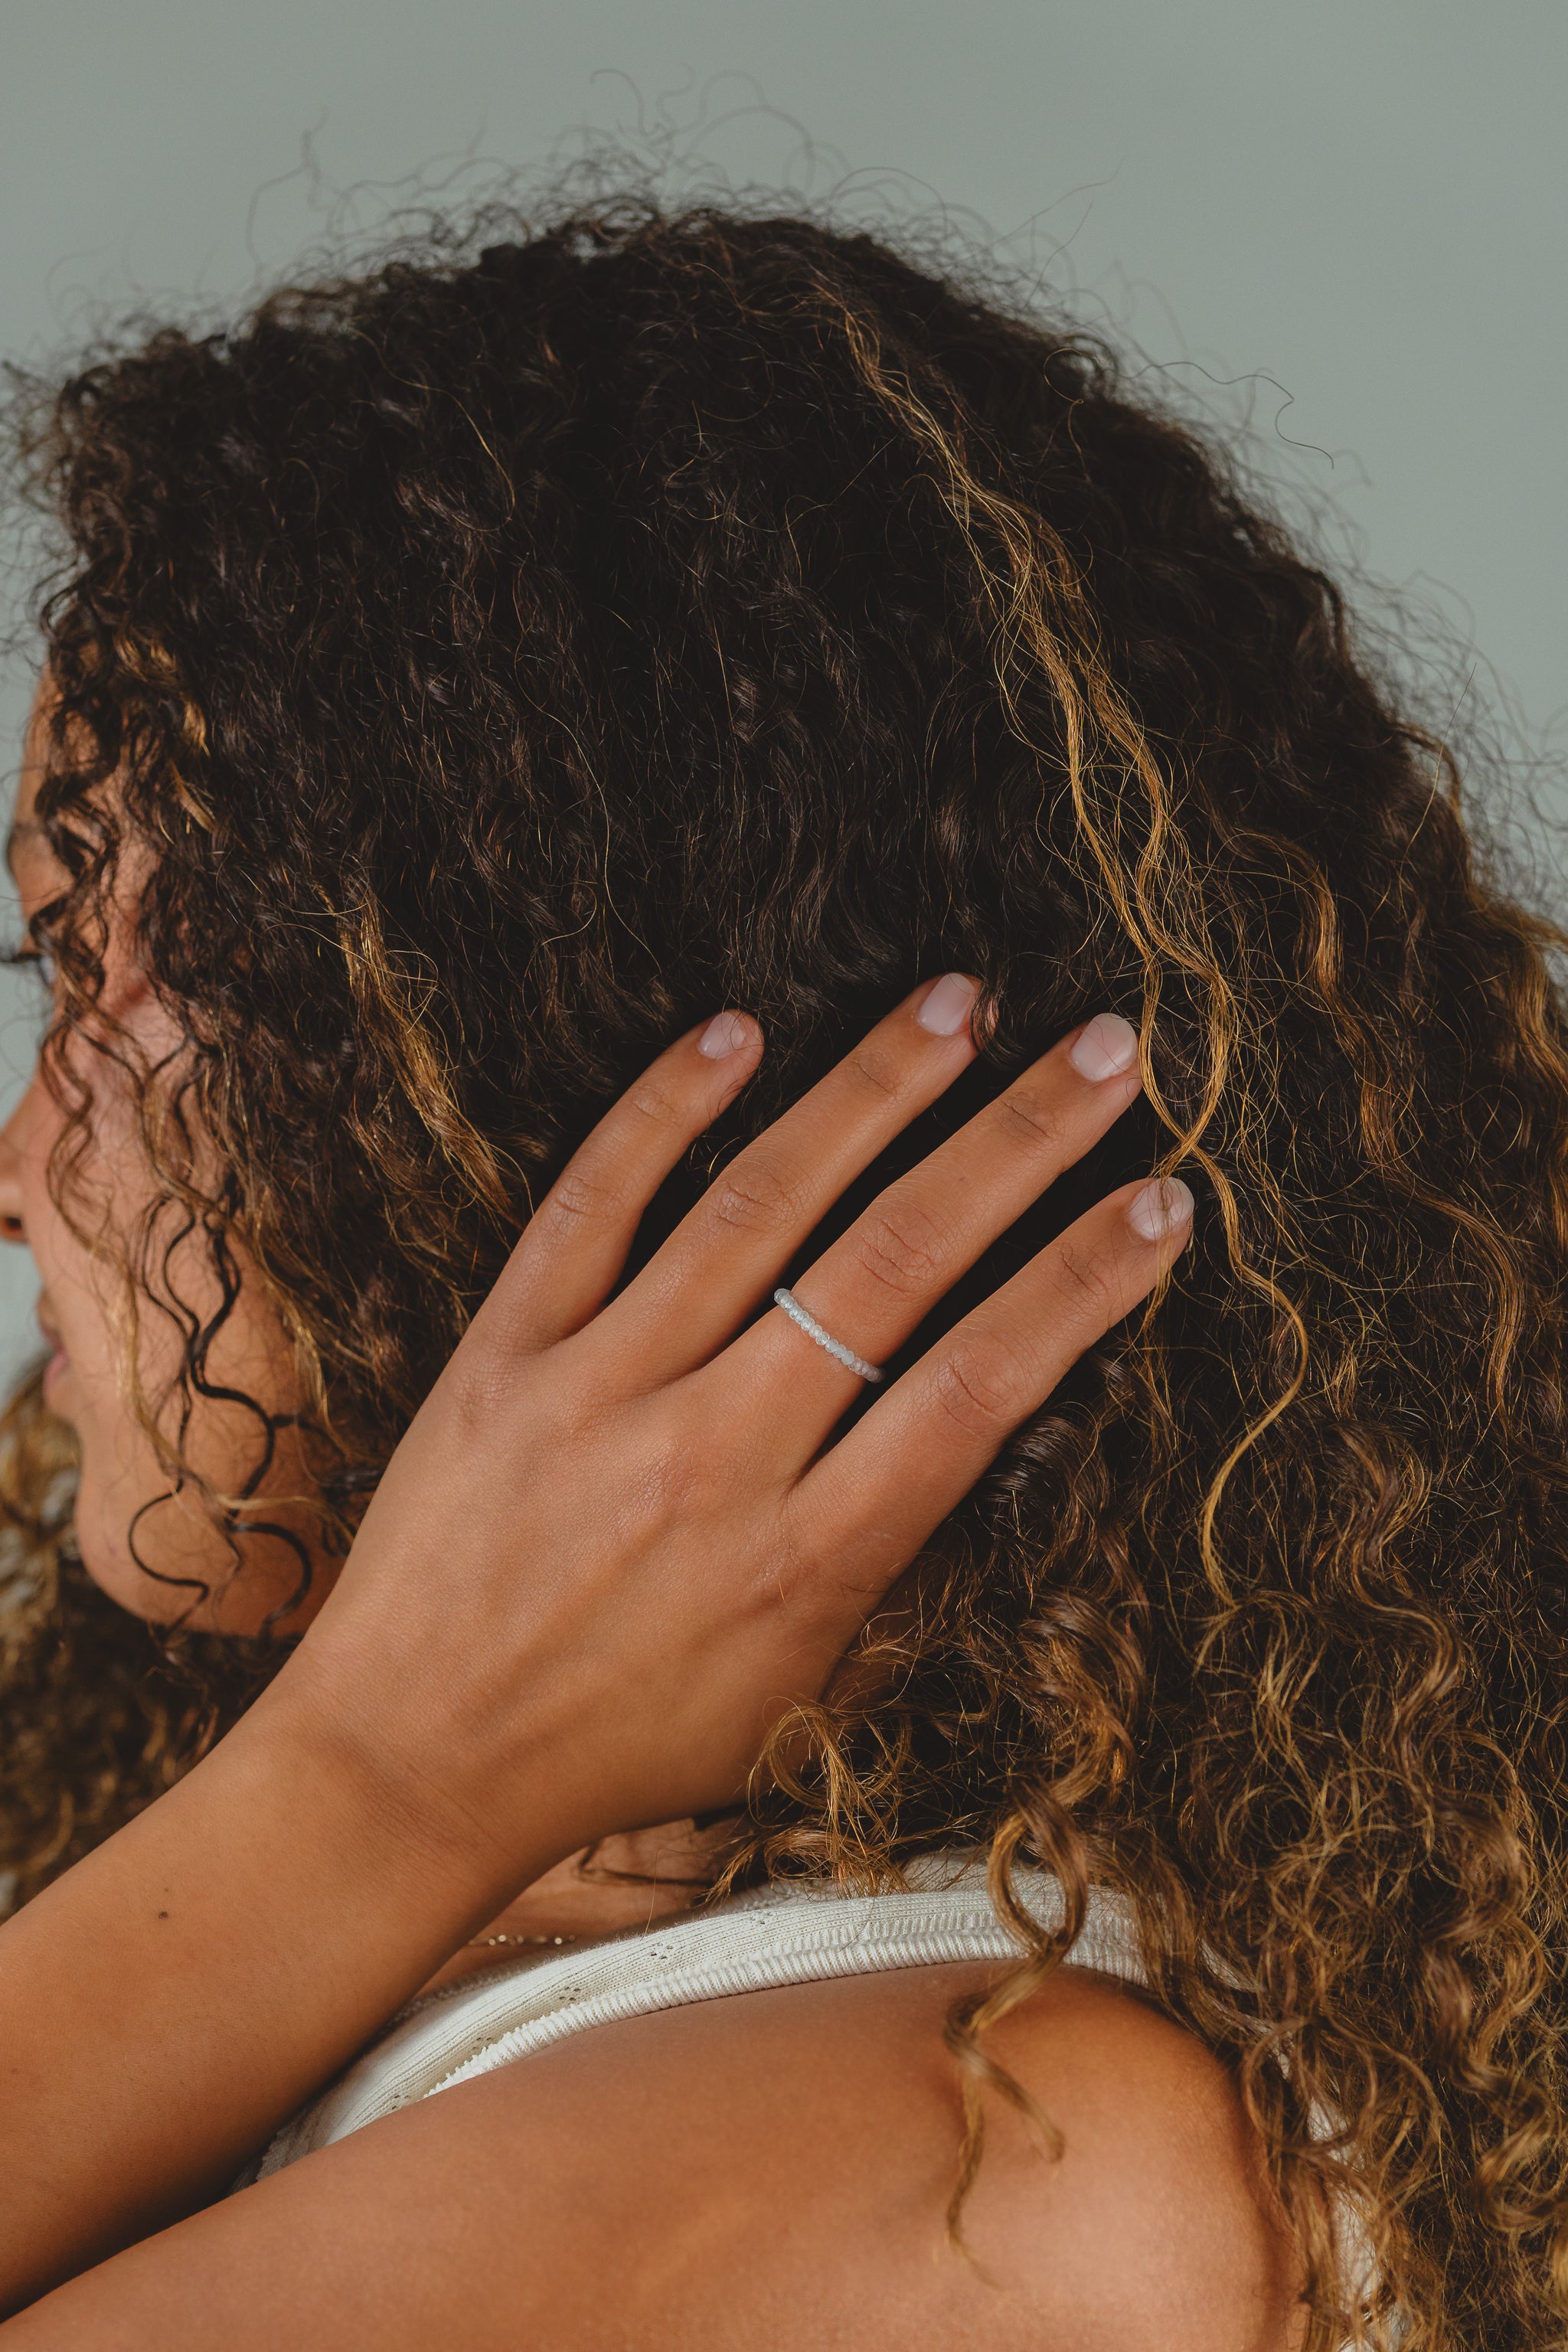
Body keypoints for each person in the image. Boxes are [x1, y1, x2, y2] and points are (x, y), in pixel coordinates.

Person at [0, 198, 1560, 2351]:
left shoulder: (981, 2172)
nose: (17, 1174)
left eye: (98, 978)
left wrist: (379, 1783)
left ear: (488, 1073)